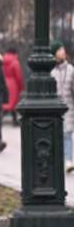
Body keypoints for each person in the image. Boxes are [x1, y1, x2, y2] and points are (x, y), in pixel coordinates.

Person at [50, 41, 74, 172]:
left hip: (69, 106)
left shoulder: (71, 69)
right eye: (59, 50)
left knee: (67, 134)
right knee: (57, 135)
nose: (63, 52)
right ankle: (59, 161)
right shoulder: (51, 71)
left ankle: (69, 161)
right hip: (55, 108)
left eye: (63, 49)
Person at [2, 47, 24, 126]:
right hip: (13, 84)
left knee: (6, 102)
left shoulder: (2, 60)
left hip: (3, 82)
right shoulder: (15, 62)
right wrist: (21, 87)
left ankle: (1, 118)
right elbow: (18, 76)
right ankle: (14, 120)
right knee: (13, 103)